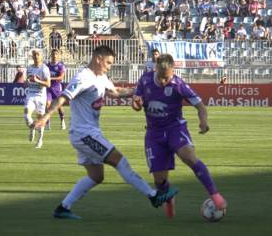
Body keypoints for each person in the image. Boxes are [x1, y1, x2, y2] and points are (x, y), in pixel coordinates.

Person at [34, 45, 178, 219]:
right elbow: (64, 97)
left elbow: (116, 92)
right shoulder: (83, 78)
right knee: (119, 160)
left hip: (86, 133)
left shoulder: (101, 77)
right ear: (98, 59)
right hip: (84, 134)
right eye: (108, 63)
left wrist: (141, 91)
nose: (110, 66)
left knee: (96, 176)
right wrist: (46, 116)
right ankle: (153, 196)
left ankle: (63, 208)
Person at [131, 54, 227, 218]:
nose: (163, 81)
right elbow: (136, 104)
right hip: (154, 133)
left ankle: (215, 195)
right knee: (160, 181)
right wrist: (137, 105)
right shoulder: (145, 80)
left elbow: (201, 107)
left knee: (189, 156)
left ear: (173, 70)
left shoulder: (179, 84)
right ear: (155, 69)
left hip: (175, 128)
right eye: (161, 77)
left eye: (166, 77)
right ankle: (169, 198)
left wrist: (203, 122)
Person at [24, 49, 51, 149]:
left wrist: (37, 80)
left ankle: (40, 140)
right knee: (26, 114)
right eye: (34, 55)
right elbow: (27, 82)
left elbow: (48, 84)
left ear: (41, 56)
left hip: (40, 96)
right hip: (31, 94)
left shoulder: (44, 69)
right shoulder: (29, 68)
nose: (36, 56)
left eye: (38, 54)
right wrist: (26, 81)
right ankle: (32, 128)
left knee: (40, 119)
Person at [46, 49, 67, 130]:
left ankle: (62, 121)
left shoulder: (60, 66)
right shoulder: (47, 66)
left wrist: (50, 78)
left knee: (59, 106)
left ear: (58, 56)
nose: (54, 56)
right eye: (53, 54)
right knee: (47, 105)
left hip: (57, 88)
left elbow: (61, 77)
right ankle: (48, 123)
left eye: (56, 54)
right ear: (51, 55)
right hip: (48, 88)